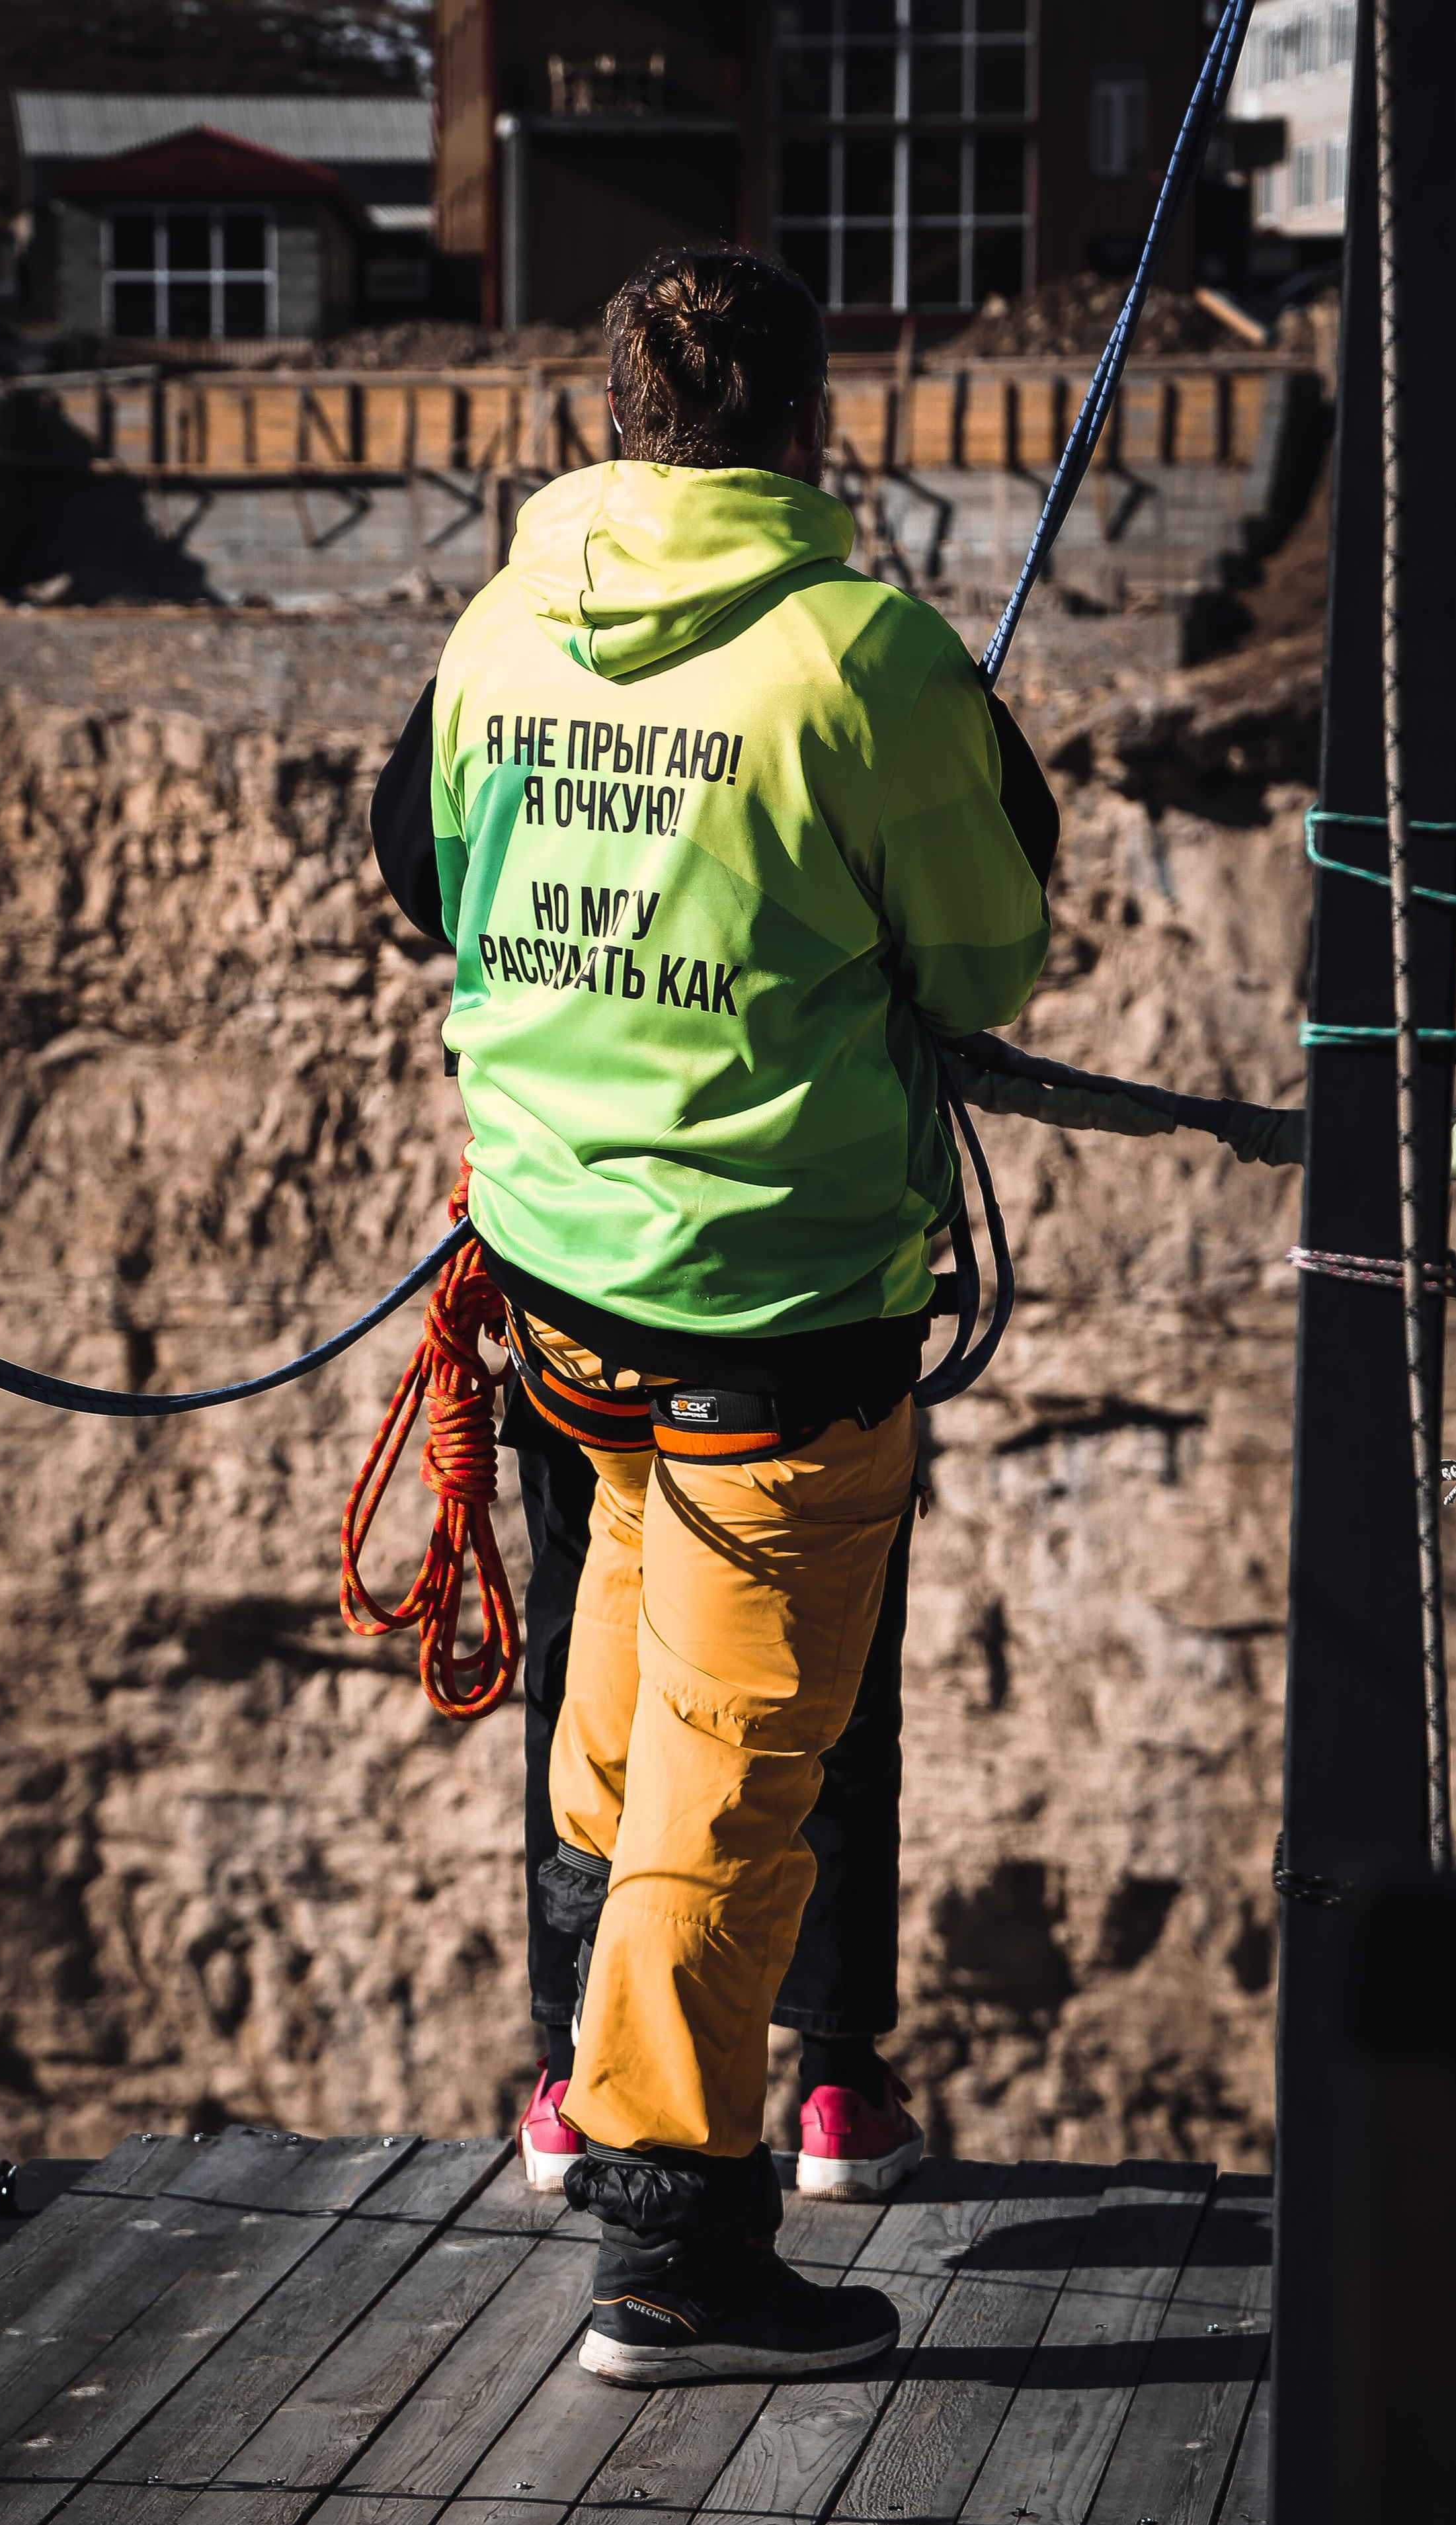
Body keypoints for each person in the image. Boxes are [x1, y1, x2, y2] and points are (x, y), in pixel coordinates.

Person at [372, 244, 1051, 2385]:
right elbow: (992, 960)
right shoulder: (871, 661)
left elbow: (420, 861)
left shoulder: (505, 624)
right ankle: (672, 2235)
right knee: (740, 1770)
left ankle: (578, 2087)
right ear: (811, 423)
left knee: (621, 1670)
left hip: (566, 1286)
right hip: (776, 1305)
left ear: (609, 415)